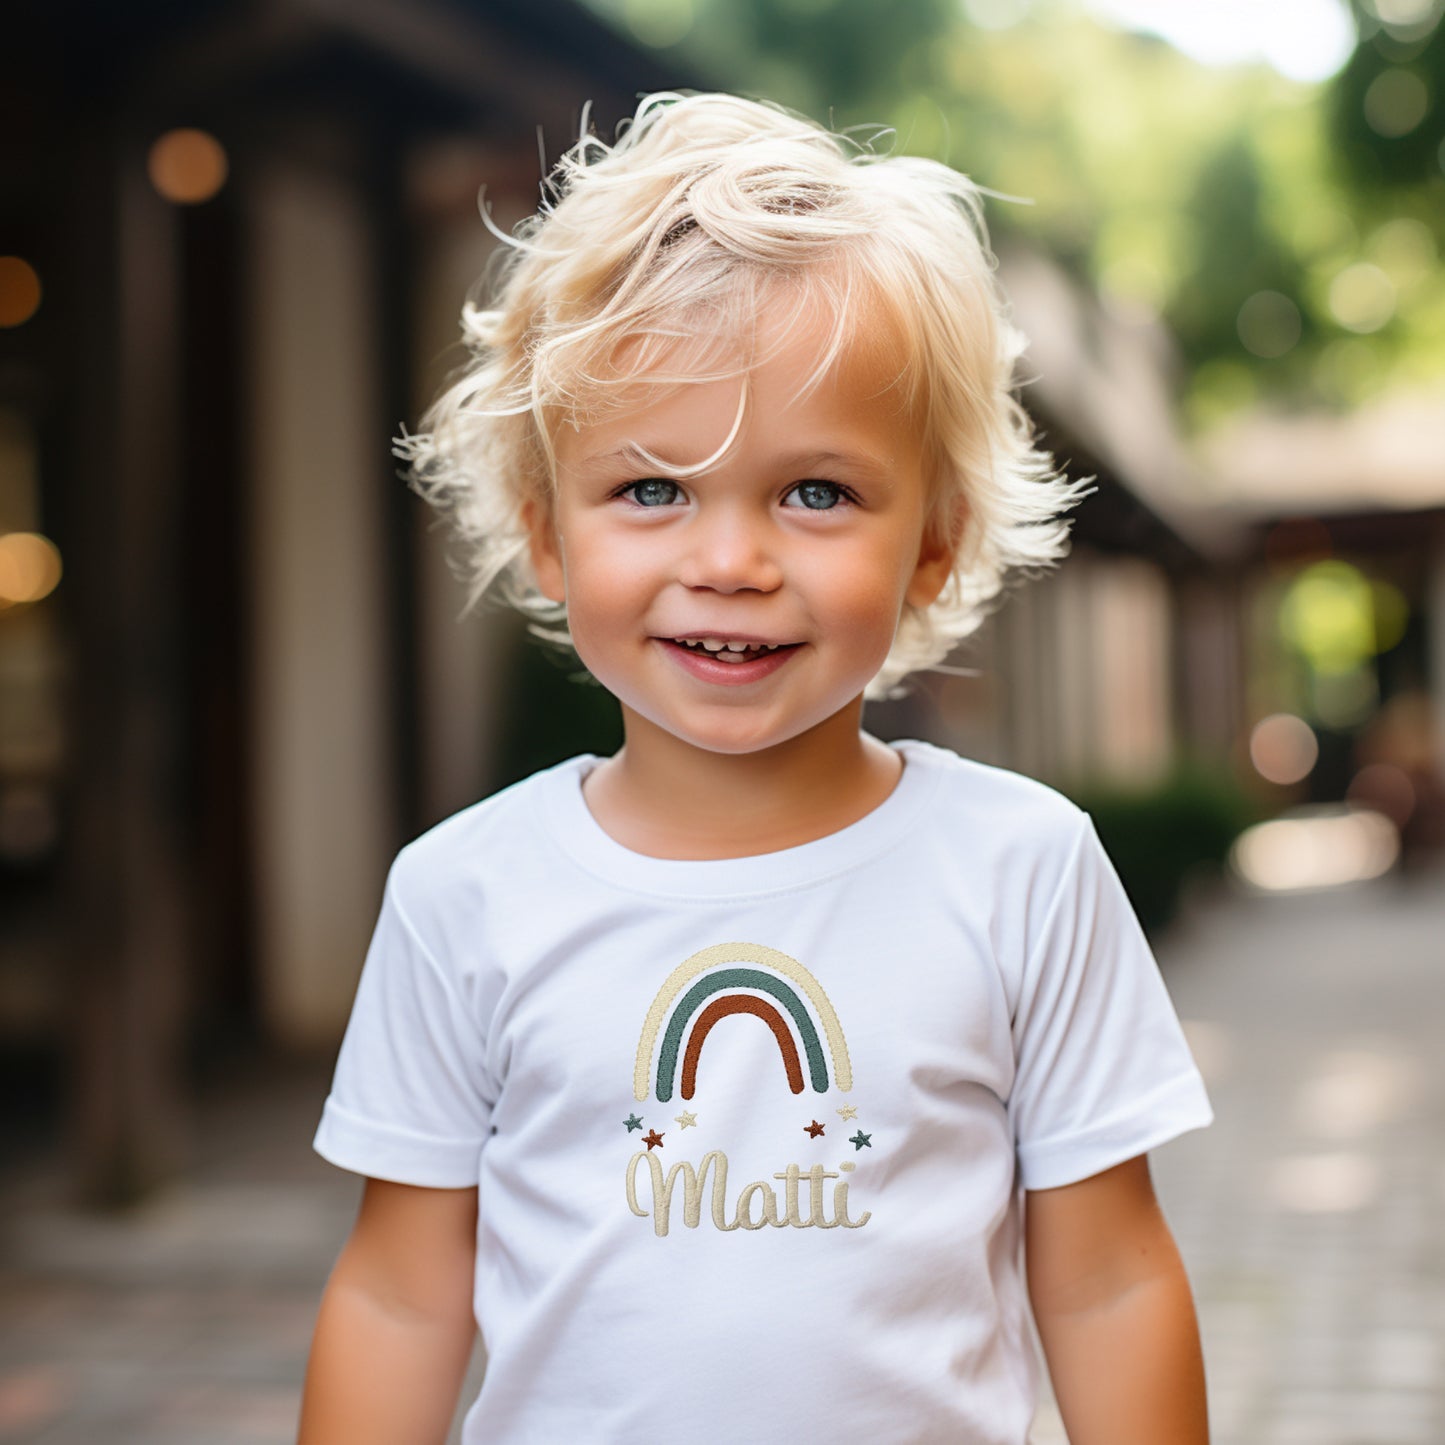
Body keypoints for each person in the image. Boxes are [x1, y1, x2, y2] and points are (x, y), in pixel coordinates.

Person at [298, 92, 1212, 1445]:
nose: (729, 560)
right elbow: (398, 1292)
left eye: (816, 492)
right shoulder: (463, 894)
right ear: (548, 538)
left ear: (932, 545)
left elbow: (1108, 1277)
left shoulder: (1021, 869)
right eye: (653, 489)